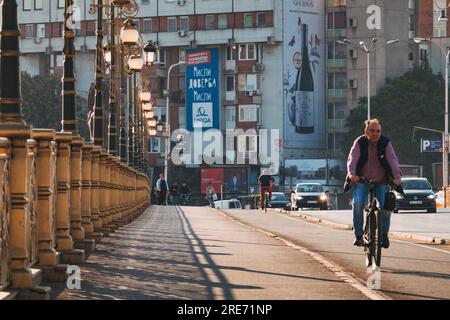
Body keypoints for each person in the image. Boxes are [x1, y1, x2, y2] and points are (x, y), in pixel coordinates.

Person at [345, 118, 401, 248]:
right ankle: (359, 235)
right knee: (358, 203)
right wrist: (352, 174)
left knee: (386, 208)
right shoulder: (359, 143)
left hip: (381, 181)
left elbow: (393, 160)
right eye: (372, 131)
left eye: (378, 131)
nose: (375, 134)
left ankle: (384, 234)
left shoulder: (385, 143)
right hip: (362, 180)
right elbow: (352, 160)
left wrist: (397, 176)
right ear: (366, 131)